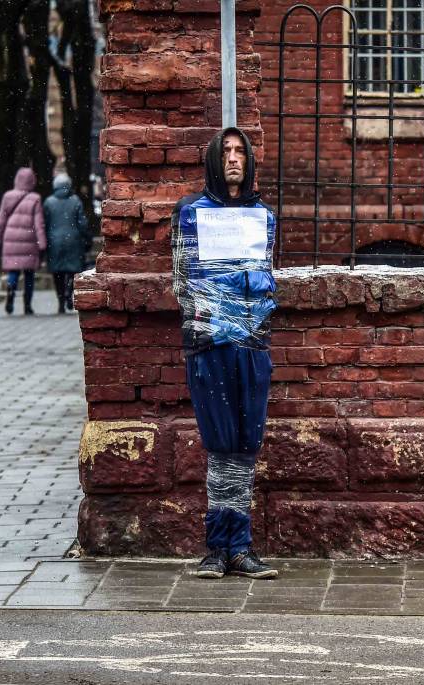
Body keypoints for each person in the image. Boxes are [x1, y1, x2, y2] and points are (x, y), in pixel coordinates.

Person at [170, 127, 278, 580]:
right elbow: (182, 281)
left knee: (246, 445)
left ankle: (240, 547)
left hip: (252, 342)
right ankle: (219, 547)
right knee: (220, 446)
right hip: (209, 341)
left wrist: (244, 305)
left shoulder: (263, 217)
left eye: (240, 152)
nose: (234, 158)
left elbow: (266, 274)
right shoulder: (191, 214)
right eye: (226, 152)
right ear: (214, 161)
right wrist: (219, 309)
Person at [0, 167, 46, 315]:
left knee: (13, 271)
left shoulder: (7, 196)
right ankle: (27, 305)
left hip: (10, 239)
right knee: (29, 274)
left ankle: (11, 292)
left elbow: (1, 220)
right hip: (29, 240)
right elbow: (39, 224)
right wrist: (42, 243)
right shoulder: (35, 198)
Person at [43, 173, 90, 314]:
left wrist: (45, 241)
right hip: (73, 241)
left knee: (57, 274)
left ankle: (61, 301)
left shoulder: (49, 202)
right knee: (72, 272)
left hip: (54, 242)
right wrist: (86, 237)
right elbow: (82, 223)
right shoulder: (76, 201)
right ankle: (69, 293)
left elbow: (45, 223)